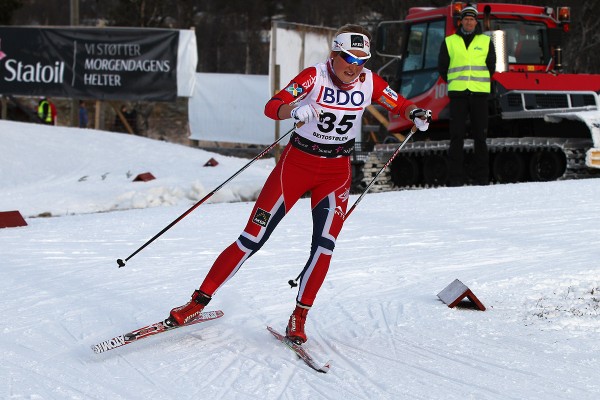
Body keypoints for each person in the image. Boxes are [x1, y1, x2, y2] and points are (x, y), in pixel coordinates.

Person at [166, 24, 431, 345]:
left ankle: (299, 317)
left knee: (324, 246)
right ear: (334, 54)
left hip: (336, 173)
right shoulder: (313, 76)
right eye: (348, 58)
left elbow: (400, 104)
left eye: (362, 60)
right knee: (252, 238)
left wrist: (417, 112)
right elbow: (272, 107)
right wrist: (295, 109)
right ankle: (197, 302)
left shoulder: (369, 81)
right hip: (296, 166)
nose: (354, 67)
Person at [438, 4, 496, 186]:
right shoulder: (450, 41)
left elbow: (491, 66)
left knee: (480, 137)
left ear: (475, 22)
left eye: (472, 19)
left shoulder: (486, 41)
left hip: (479, 95)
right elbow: (442, 67)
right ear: (460, 21)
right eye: (466, 19)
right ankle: (455, 178)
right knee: (457, 137)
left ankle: (482, 178)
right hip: (458, 95)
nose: (469, 22)